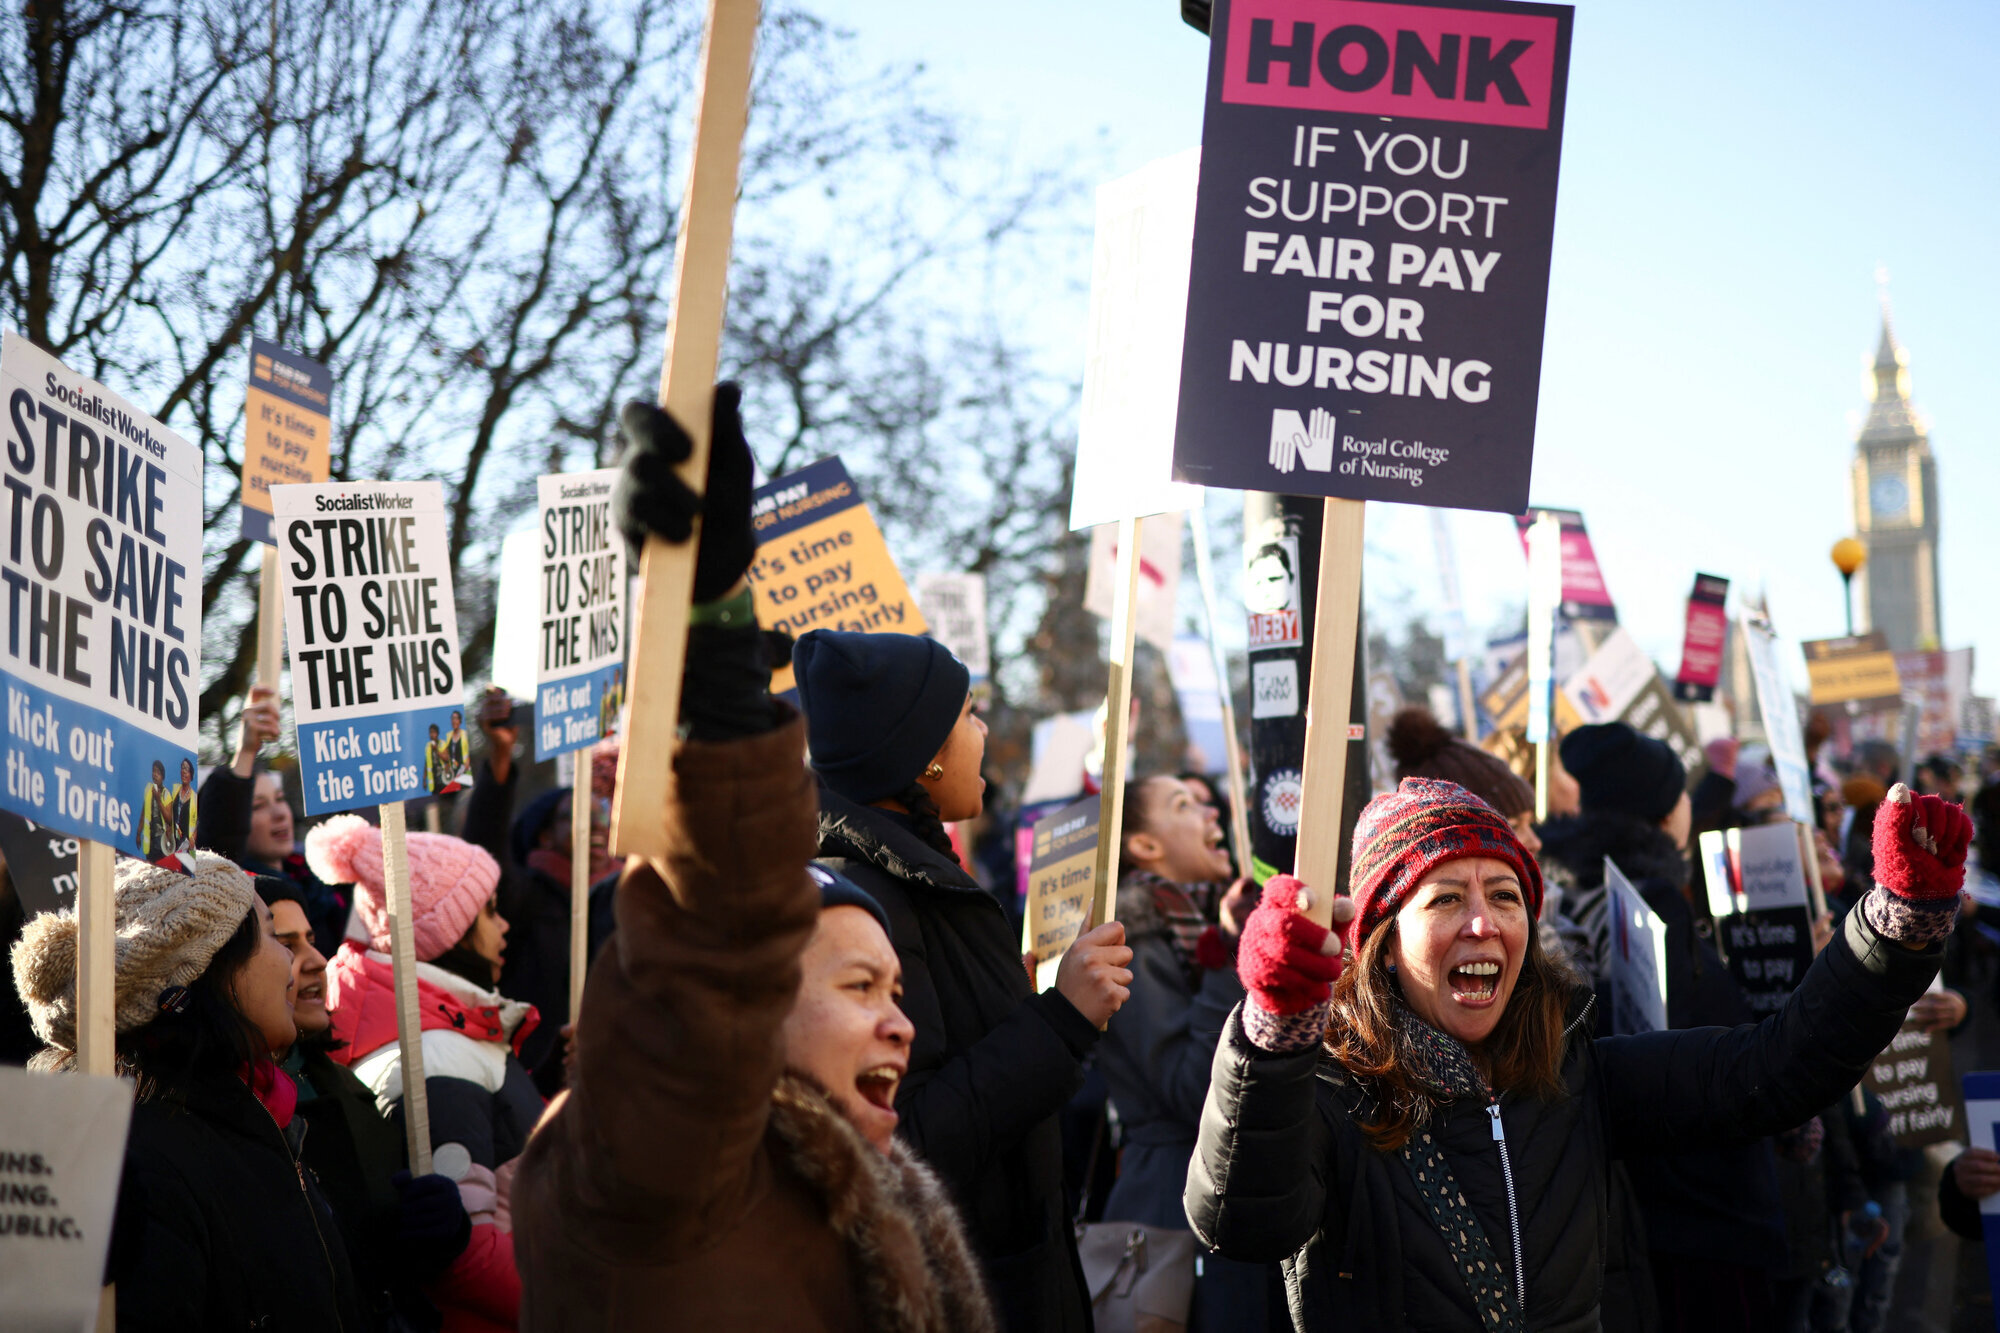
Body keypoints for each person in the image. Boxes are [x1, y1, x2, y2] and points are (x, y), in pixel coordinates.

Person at [515, 383, 998, 1331]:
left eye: (894, 992)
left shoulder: (865, 1186)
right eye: (861, 987)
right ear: (752, 998)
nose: (902, 1023)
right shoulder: (661, 1166)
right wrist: (710, 636)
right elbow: (720, 928)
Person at [1185, 777, 1962, 1332]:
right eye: (1446, 897)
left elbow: (1772, 1069)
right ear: (1382, 944)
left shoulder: (1575, 1067)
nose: (1484, 923)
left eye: (1506, 895)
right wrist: (1273, 1025)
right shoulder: (1322, 1088)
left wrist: (1894, 926)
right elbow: (1241, 1218)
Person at [794, 626, 1132, 1333]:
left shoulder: (915, 876)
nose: (984, 731)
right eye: (970, 714)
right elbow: (908, 1137)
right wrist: (1060, 1020)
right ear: (924, 759)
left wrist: (1032, 998)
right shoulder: (865, 904)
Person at [11, 852, 369, 1331]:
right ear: (208, 967)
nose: (294, 956)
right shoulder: (138, 1163)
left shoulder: (254, 1112)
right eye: (269, 934)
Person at [1540, 723, 1790, 1331]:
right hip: (1697, 1204)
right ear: (1659, 810)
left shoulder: (1569, 885)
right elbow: (1708, 1047)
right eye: (1682, 792)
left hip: (1632, 1205)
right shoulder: (1653, 898)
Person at [314, 817, 541, 1333]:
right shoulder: (437, 1060)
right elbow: (465, 1260)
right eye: (489, 911)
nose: (504, 926)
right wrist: (581, 1304)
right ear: (449, 931)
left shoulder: (453, 1041)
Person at [255, 874, 473, 1330]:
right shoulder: (223, 1112)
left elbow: (387, 1258)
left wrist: (443, 1229)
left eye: (312, 940)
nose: (316, 961)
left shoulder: (346, 1088)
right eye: (284, 943)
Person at [1097, 775, 1269, 1329]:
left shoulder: (1201, 915)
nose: (1211, 813)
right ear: (1146, 847)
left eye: (1202, 801)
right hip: (1177, 1213)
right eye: (1184, 806)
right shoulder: (1131, 939)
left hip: (1231, 1199)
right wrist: (1225, 962)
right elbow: (1193, 1090)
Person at [457, 685, 619, 1093]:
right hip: (540, 1085)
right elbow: (486, 852)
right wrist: (500, 757)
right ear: (544, 834)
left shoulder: (624, 897)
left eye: (603, 813)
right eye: (579, 815)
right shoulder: (525, 897)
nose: (597, 824)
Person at [198, 682, 351, 948]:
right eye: (258, 806)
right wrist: (246, 752)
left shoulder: (323, 886)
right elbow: (221, 839)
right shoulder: (234, 901)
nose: (279, 813)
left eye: (279, 799)